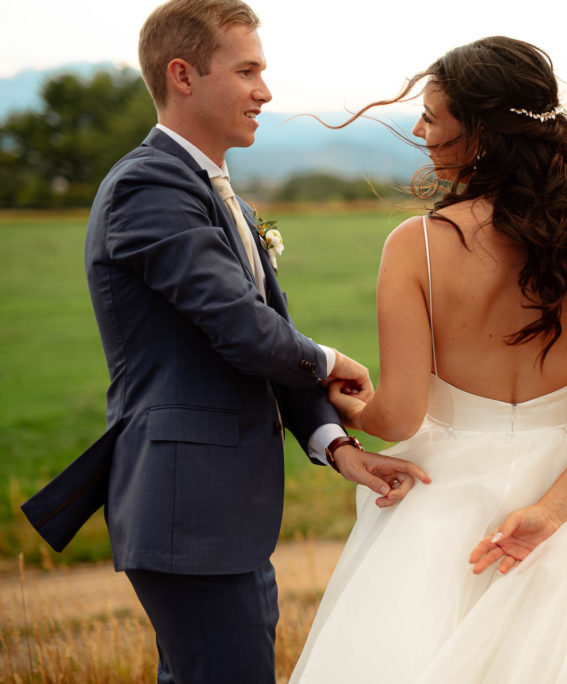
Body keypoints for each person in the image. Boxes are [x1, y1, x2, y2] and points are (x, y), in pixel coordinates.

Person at [20, 1, 428, 682]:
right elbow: (241, 329)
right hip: (189, 510)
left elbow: (257, 335)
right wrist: (332, 361)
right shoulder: (148, 186)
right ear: (183, 74)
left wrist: (337, 445)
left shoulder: (217, 192)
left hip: (216, 515)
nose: (264, 91)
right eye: (247, 71)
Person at [289, 36, 567, 682]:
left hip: (439, 498)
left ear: (481, 133)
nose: (419, 131)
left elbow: (397, 416)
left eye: (432, 117)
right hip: (563, 497)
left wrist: (342, 399)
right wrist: (551, 513)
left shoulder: (417, 246)